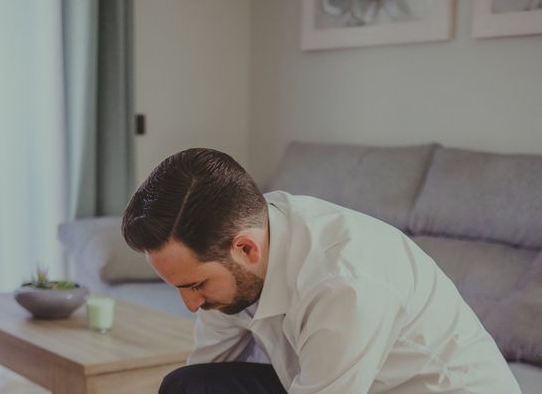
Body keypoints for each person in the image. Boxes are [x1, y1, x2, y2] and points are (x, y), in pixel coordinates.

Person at [121, 148, 522, 394]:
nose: (190, 304)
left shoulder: (345, 282)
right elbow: (207, 369)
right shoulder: (247, 233)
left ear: (246, 249)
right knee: (190, 387)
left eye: (196, 285)